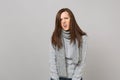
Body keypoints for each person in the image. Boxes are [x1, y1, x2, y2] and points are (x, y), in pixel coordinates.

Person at [49, 8, 88, 80]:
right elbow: (52, 61)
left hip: (75, 78)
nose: (63, 21)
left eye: (66, 18)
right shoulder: (55, 37)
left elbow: (81, 63)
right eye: (60, 20)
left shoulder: (82, 38)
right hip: (57, 78)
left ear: (71, 19)